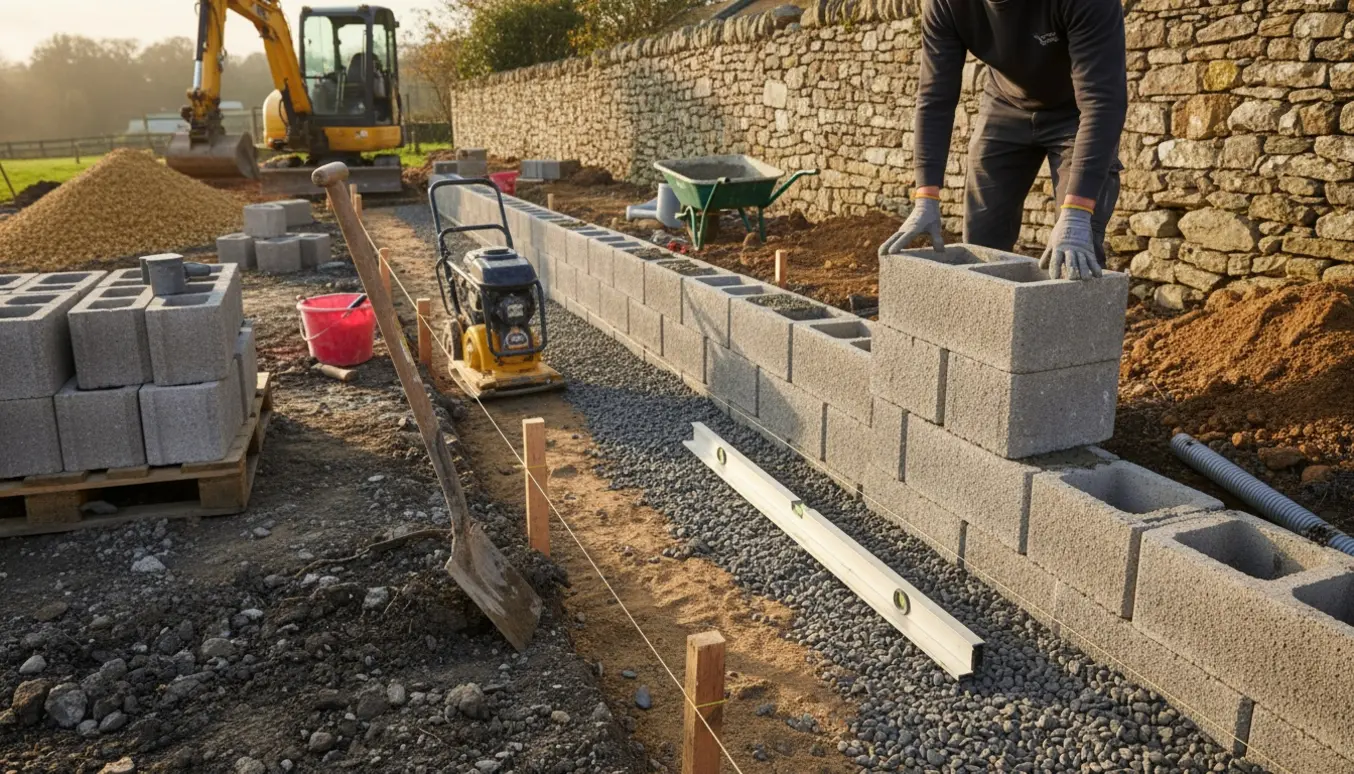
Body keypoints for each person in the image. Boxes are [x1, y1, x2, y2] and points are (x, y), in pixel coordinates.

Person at [878, 0, 1128, 280]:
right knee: (981, 249)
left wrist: (1078, 211)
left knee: (1077, 250)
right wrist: (926, 197)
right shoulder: (946, 4)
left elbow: (1102, 104)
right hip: (1005, 104)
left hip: (1077, 115)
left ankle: (1079, 319)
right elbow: (935, 97)